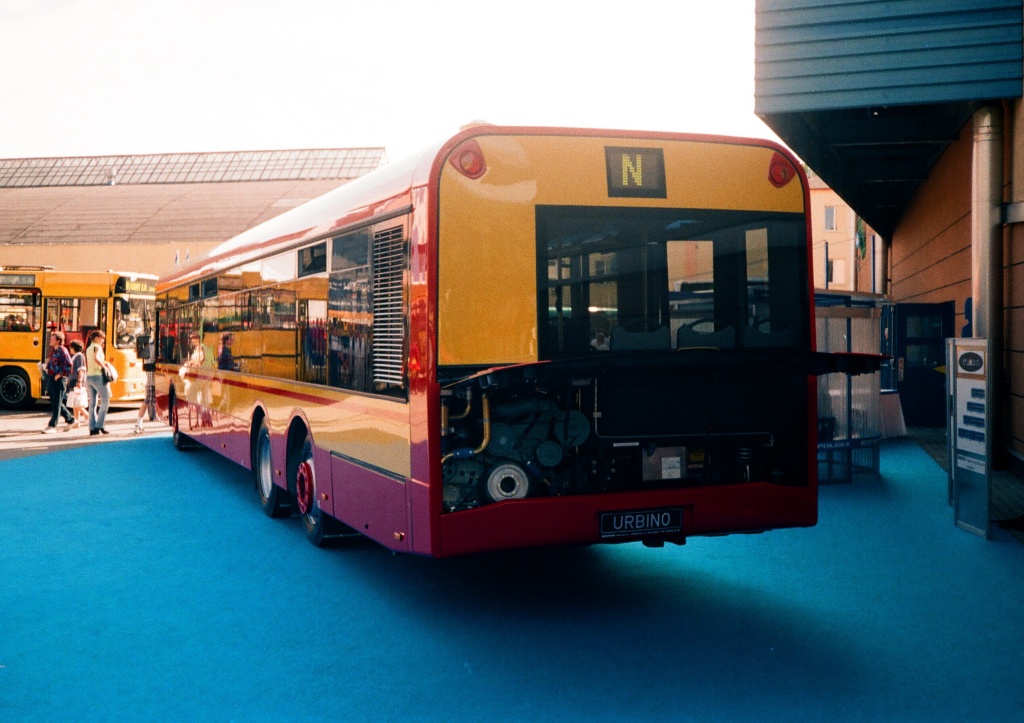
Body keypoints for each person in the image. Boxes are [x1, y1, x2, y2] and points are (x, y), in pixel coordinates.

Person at [42, 331, 75, 433]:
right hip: (52, 377)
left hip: (59, 379)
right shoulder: (54, 350)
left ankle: (52, 426)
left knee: (56, 403)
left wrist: (59, 374)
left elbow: (69, 365)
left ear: (58, 340)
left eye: (52, 339)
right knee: (56, 401)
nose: (50, 340)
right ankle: (71, 419)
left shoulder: (62, 350)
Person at [85, 329, 111, 436]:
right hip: (98, 376)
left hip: (89, 376)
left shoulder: (88, 348)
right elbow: (96, 359)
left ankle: (92, 428)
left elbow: (91, 360)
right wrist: (104, 366)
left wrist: (104, 362)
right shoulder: (97, 347)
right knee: (105, 400)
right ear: (96, 338)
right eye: (101, 338)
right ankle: (100, 425)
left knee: (92, 403)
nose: (102, 341)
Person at [66, 339, 88, 428]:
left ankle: (87, 416)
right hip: (73, 382)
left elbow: (81, 369)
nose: (70, 349)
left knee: (76, 402)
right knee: (75, 402)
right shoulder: (76, 356)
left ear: (74, 348)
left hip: (76, 382)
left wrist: (79, 381)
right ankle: (77, 421)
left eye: (71, 347)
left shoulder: (79, 356)